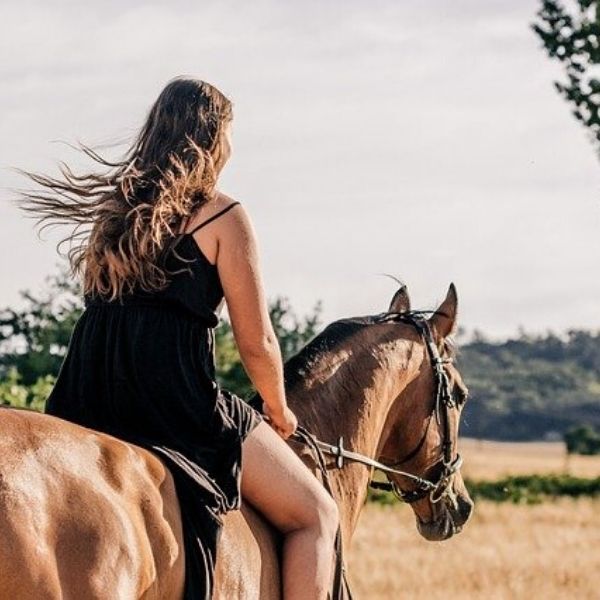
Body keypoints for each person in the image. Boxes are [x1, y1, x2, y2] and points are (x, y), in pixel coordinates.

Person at [15, 76, 340, 599]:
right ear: (212, 137)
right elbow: (256, 343)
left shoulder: (114, 213)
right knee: (316, 516)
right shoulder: (223, 214)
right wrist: (280, 411)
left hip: (88, 396)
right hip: (173, 404)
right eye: (229, 133)